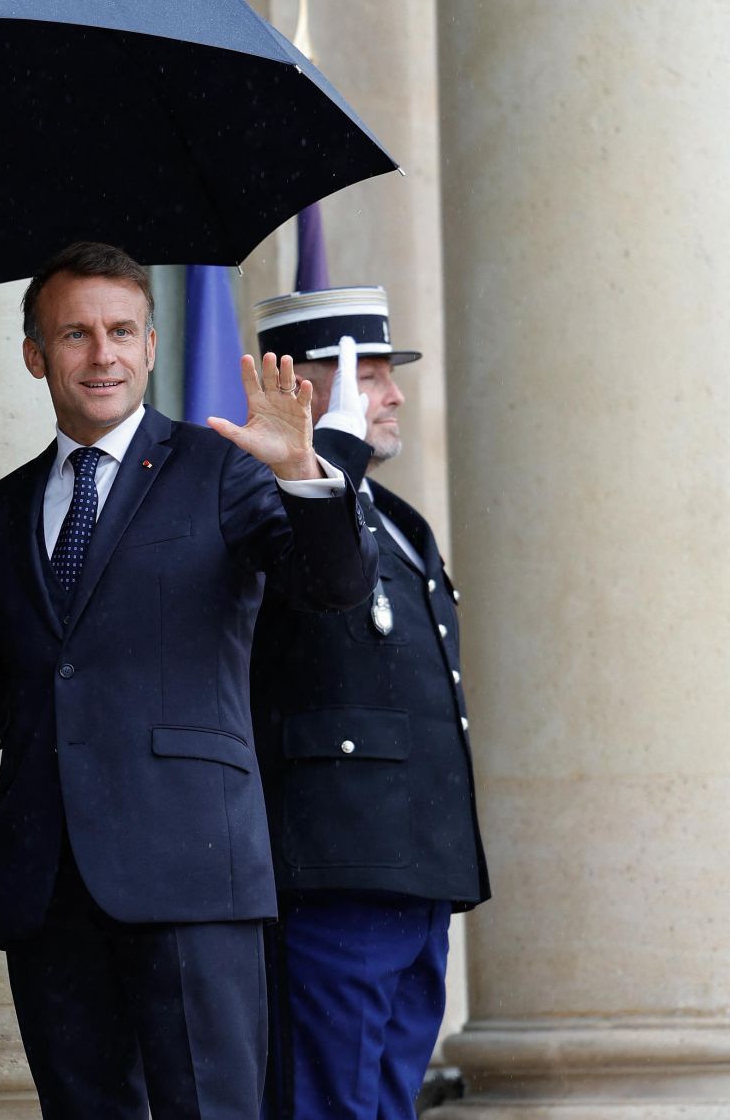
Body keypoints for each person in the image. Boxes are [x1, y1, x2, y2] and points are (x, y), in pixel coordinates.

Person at [0, 241, 378, 1119]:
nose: (101, 354)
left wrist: (299, 470)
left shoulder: (224, 469)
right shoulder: (1, 504)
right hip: (48, 884)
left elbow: (332, 589)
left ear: (148, 345)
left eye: (121, 331)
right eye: (75, 334)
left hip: (192, 872)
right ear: (36, 355)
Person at [248, 287, 488, 1120]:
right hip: (334, 877)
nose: (392, 396)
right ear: (306, 389)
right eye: (372, 376)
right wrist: (324, 460)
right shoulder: (264, 501)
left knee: (387, 1103)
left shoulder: (395, 515)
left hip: (411, 870)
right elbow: (316, 583)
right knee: (331, 1104)